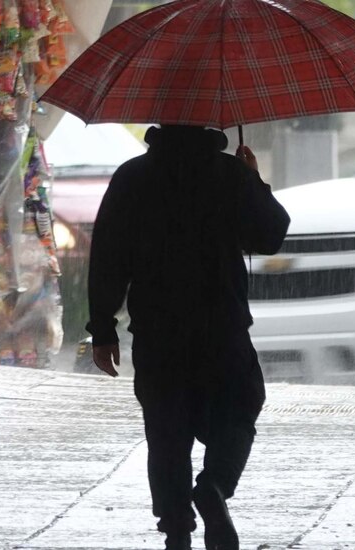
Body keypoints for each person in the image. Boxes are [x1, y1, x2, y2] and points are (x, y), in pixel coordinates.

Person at [86, 126, 290, 550]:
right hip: (223, 324)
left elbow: (107, 255)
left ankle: (176, 527)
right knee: (240, 405)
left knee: (166, 430)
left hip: (158, 329)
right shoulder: (229, 174)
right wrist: (253, 179)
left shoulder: (132, 177)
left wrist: (102, 329)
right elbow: (270, 235)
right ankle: (214, 485)